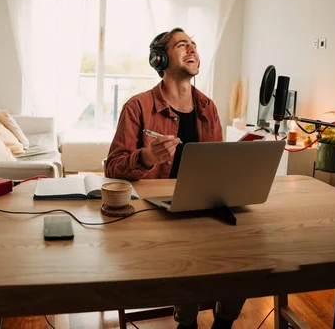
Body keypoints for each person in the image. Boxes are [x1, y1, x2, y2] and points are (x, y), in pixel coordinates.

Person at [105, 28, 246, 329]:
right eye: (182, 45)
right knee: (187, 245)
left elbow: (217, 166)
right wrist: (145, 158)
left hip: (203, 204)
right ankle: (187, 322)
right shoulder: (137, 107)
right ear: (160, 59)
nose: (192, 49)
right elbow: (113, 167)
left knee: (247, 244)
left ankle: (225, 321)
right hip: (155, 212)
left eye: (194, 45)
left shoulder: (208, 107)